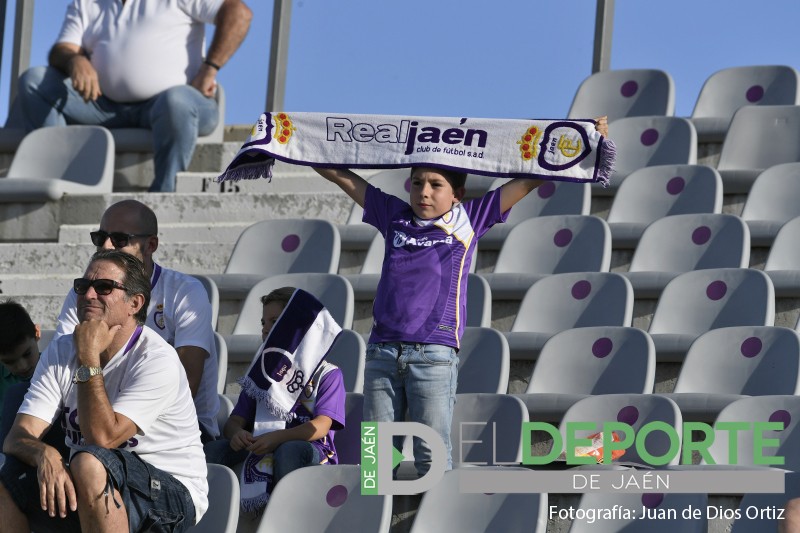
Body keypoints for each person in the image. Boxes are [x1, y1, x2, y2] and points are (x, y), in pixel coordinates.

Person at [309, 116, 608, 476]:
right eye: (417, 182)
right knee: (375, 464)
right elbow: (342, 176)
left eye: (436, 185)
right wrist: (293, 140)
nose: (424, 191)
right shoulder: (393, 215)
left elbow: (529, 179)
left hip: (433, 355)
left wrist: (585, 137)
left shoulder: (469, 218)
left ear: (457, 194)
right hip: (381, 353)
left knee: (431, 458)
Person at [0, 250, 207, 533]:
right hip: (93, 481)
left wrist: (88, 356)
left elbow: (102, 438)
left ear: (134, 302)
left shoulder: (158, 359)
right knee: (8, 480)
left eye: (104, 288)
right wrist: (43, 454)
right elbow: (17, 438)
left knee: (88, 461)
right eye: (82, 287)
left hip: (171, 494)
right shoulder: (61, 351)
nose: (88, 295)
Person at [8, 0, 252, 192]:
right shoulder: (89, 2)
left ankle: (164, 194)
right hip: (102, 105)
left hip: (175, 104)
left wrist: (209, 69)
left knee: (176, 101)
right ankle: (62, 176)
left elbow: (239, 13)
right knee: (34, 81)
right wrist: (75, 59)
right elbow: (63, 49)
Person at [53, 199, 220, 444]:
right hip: (95, 415)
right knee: (25, 429)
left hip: (171, 428)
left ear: (150, 244)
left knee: (89, 457)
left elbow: (188, 381)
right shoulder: (86, 291)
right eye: (100, 237)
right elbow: (61, 365)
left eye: (119, 239)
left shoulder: (185, 292)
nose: (106, 246)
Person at [205, 287, 346, 486]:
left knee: (289, 451)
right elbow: (233, 422)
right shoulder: (261, 374)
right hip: (262, 443)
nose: (265, 328)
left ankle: (286, 513)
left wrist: (278, 437)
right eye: (263, 322)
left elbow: (321, 426)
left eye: (275, 321)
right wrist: (237, 434)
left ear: (300, 327)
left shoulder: (328, 374)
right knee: (212, 451)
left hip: (311, 450)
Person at [0, 301, 41, 433]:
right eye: (9, 362)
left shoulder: (56, 369)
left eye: (27, 354)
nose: (22, 366)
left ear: (37, 333)